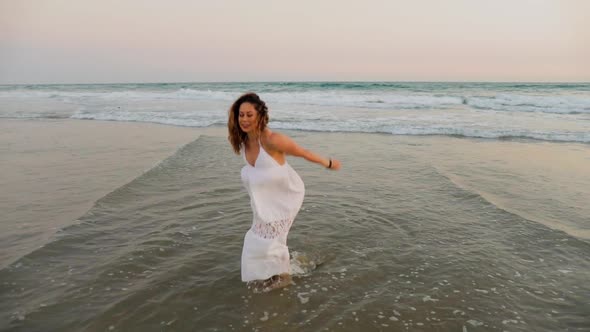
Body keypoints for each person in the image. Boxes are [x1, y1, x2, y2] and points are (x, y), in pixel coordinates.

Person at [227, 92, 341, 292]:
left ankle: (284, 277)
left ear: (260, 115)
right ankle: (271, 273)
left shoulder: (273, 140)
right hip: (264, 201)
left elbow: (303, 152)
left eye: (249, 115)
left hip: (285, 197)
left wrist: (328, 163)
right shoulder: (244, 141)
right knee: (255, 239)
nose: (244, 119)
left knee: (271, 241)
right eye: (241, 115)